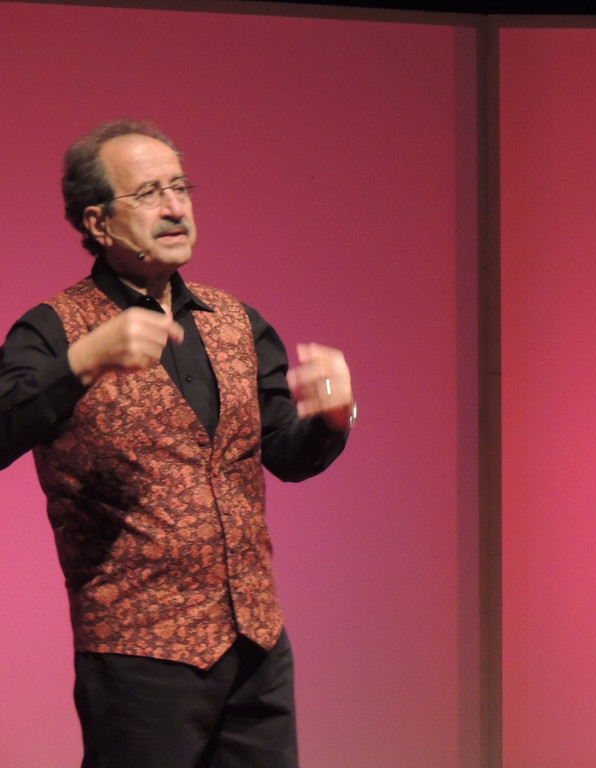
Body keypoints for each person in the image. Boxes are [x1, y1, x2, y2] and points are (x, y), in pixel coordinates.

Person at [0, 118, 356, 768]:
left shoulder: (237, 322)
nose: (174, 207)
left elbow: (285, 453)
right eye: (148, 193)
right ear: (98, 222)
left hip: (256, 648)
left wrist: (331, 420)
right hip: (138, 657)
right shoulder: (53, 331)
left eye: (180, 188)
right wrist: (81, 363)